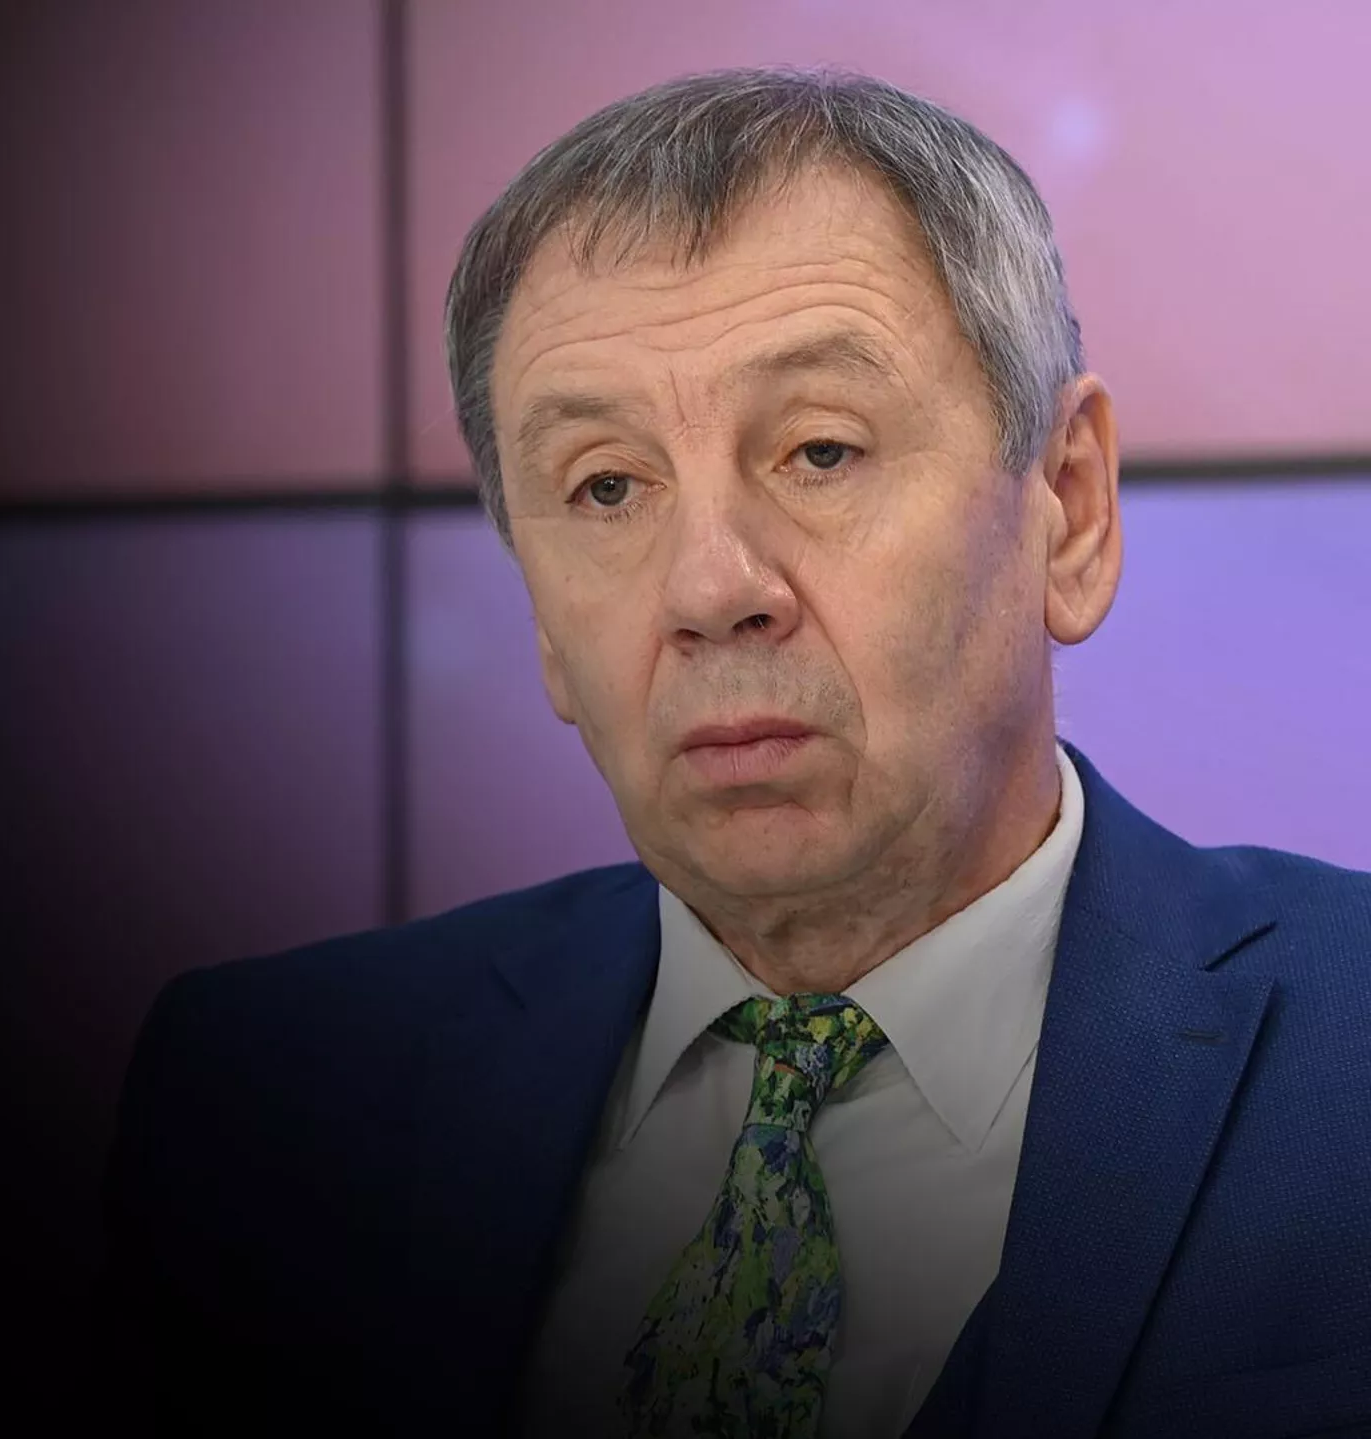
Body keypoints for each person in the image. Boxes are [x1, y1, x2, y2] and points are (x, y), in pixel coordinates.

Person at [100, 68, 1370, 1439]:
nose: (710, 587)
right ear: (540, 614)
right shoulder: (268, 1102)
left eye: (819, 452)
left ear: (1067, 509)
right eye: (606, 486)